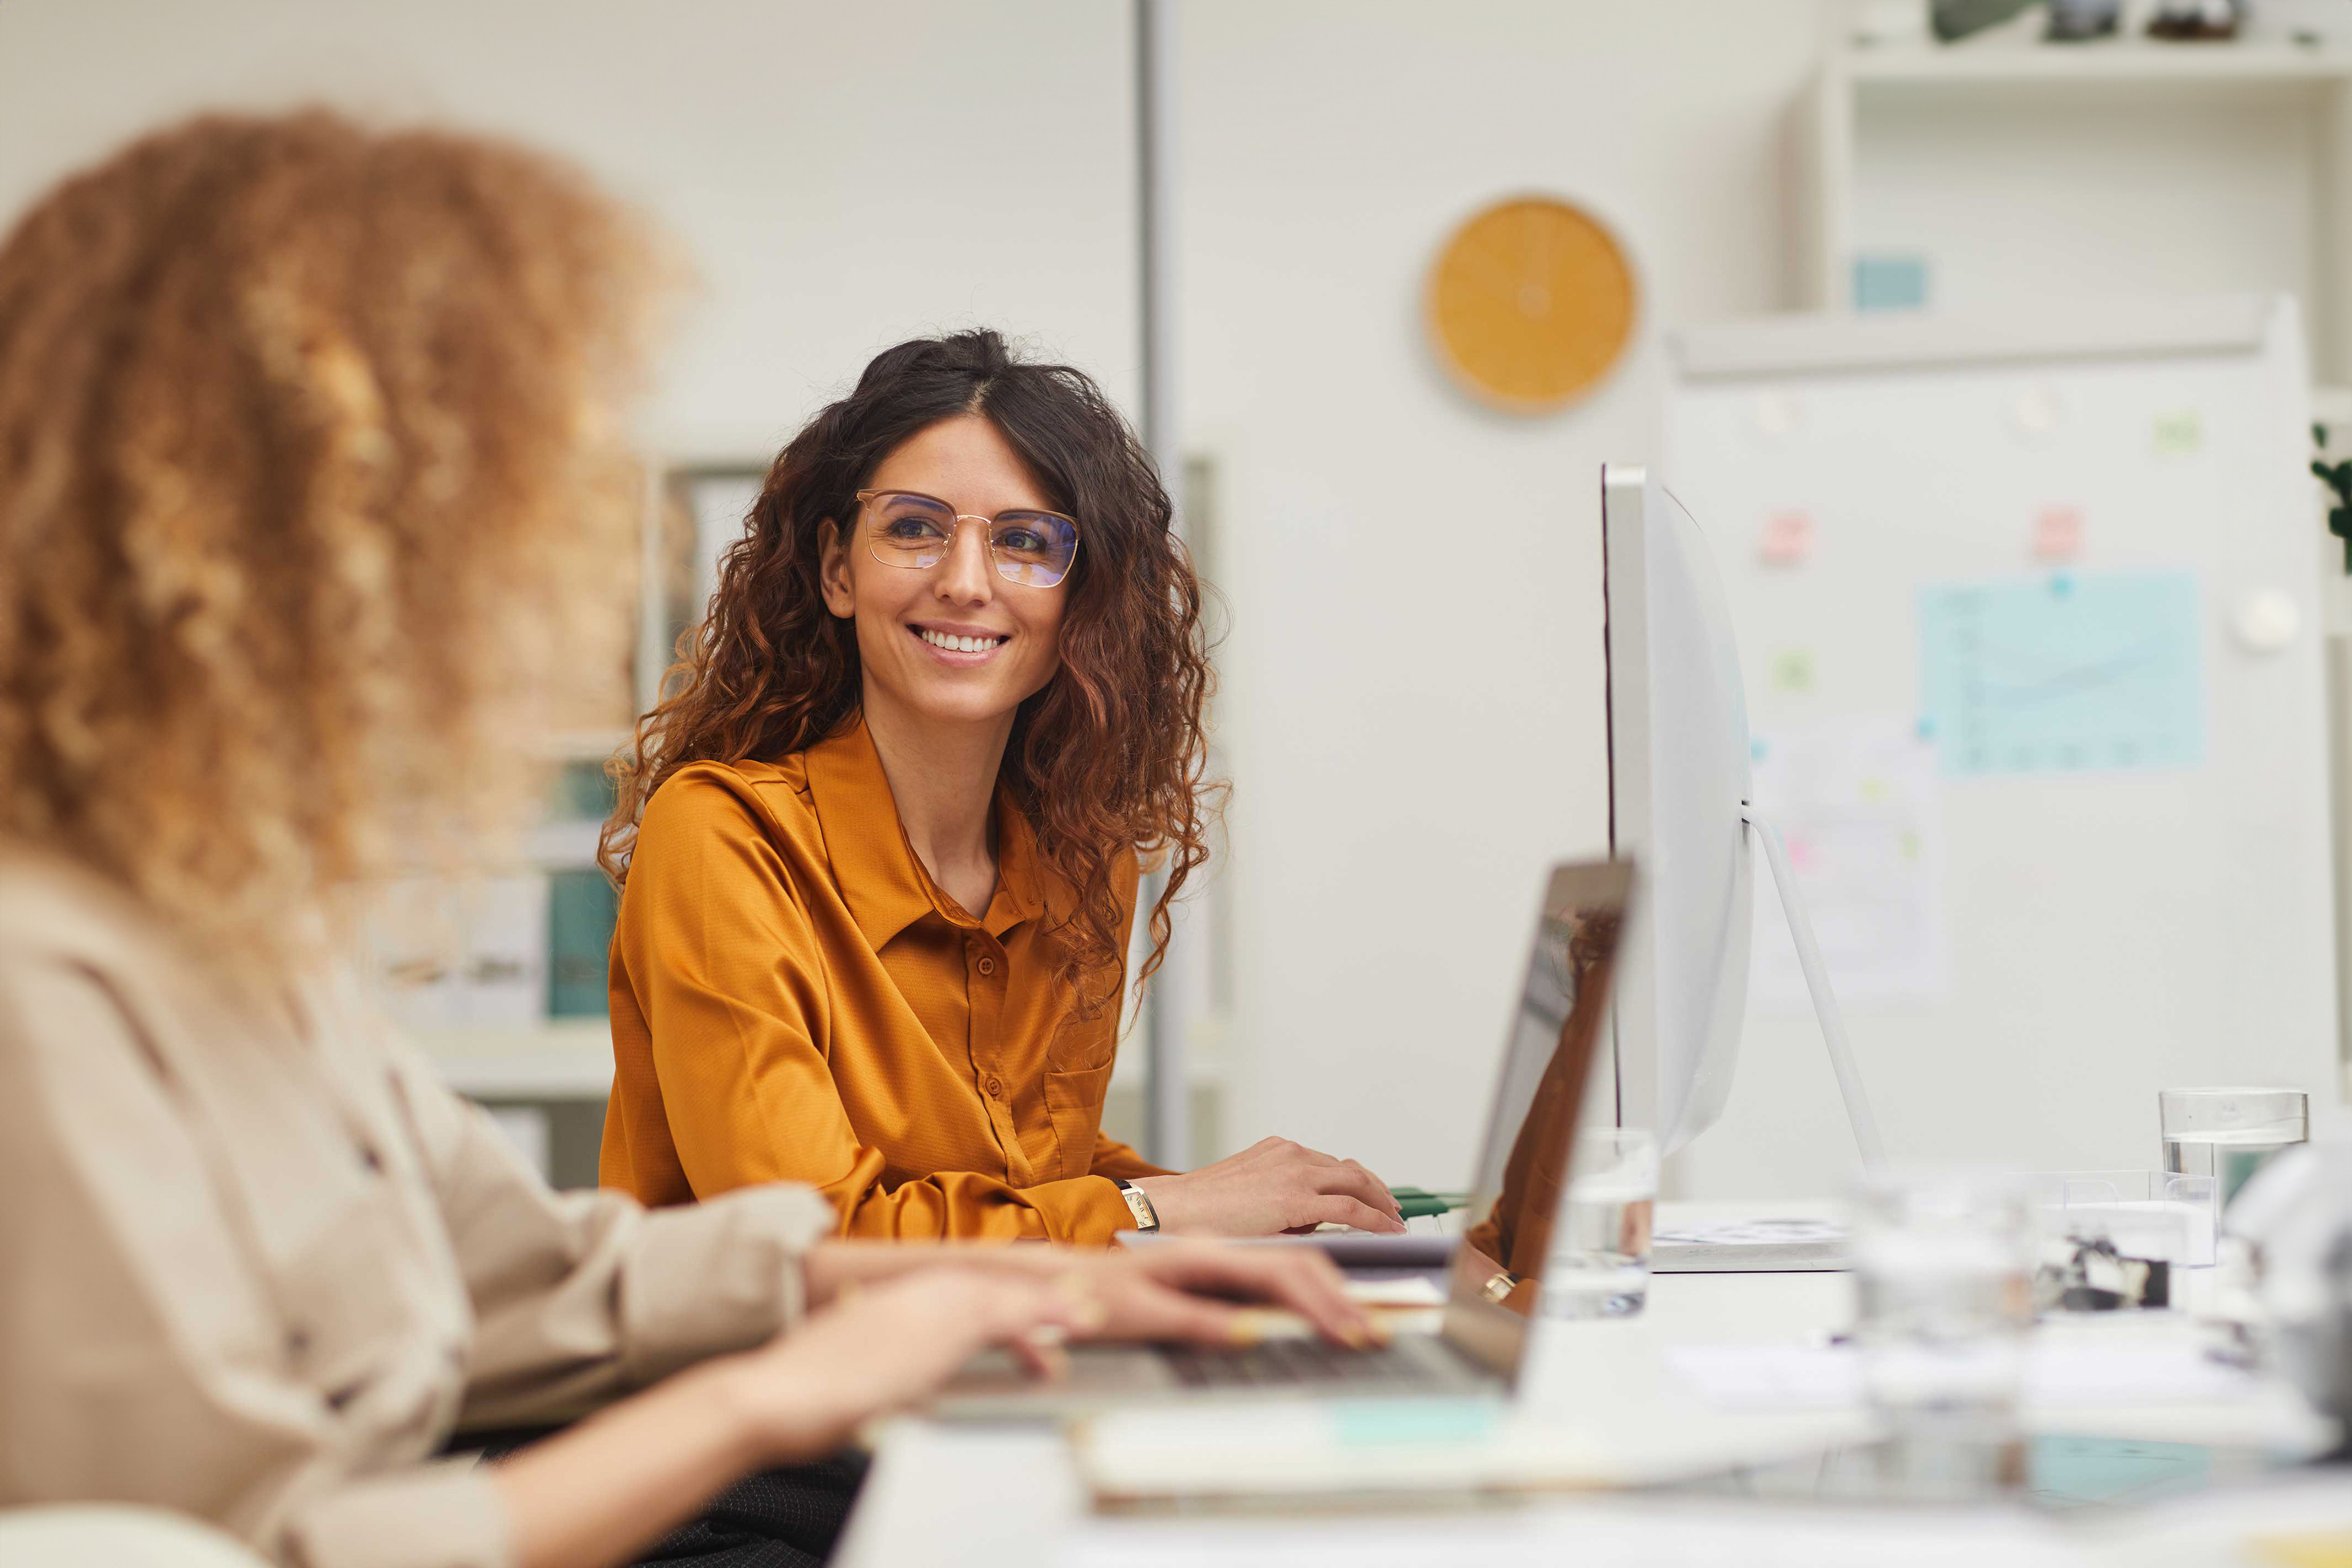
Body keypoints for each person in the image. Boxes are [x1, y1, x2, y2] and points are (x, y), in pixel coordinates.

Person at [0, 111, 1375, 1568]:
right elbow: (258, 1541)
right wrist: (789, 1386)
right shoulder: (49, 985)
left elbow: (549, 1276)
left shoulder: (231, 939)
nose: (534, 582)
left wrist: (1040, 1277)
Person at [597, 331, 1408, 1242]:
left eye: (1024, 541)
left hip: (1012, 1362)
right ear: (838, 571)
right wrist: (1156, 1210)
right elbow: (814, 1235)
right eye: (913, 528)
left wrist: (1274, 1214)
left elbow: (1034, 1170)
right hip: (782, 1377)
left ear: (1082, 600)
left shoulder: (1079, 852)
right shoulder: (723, 840)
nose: (966, 582)